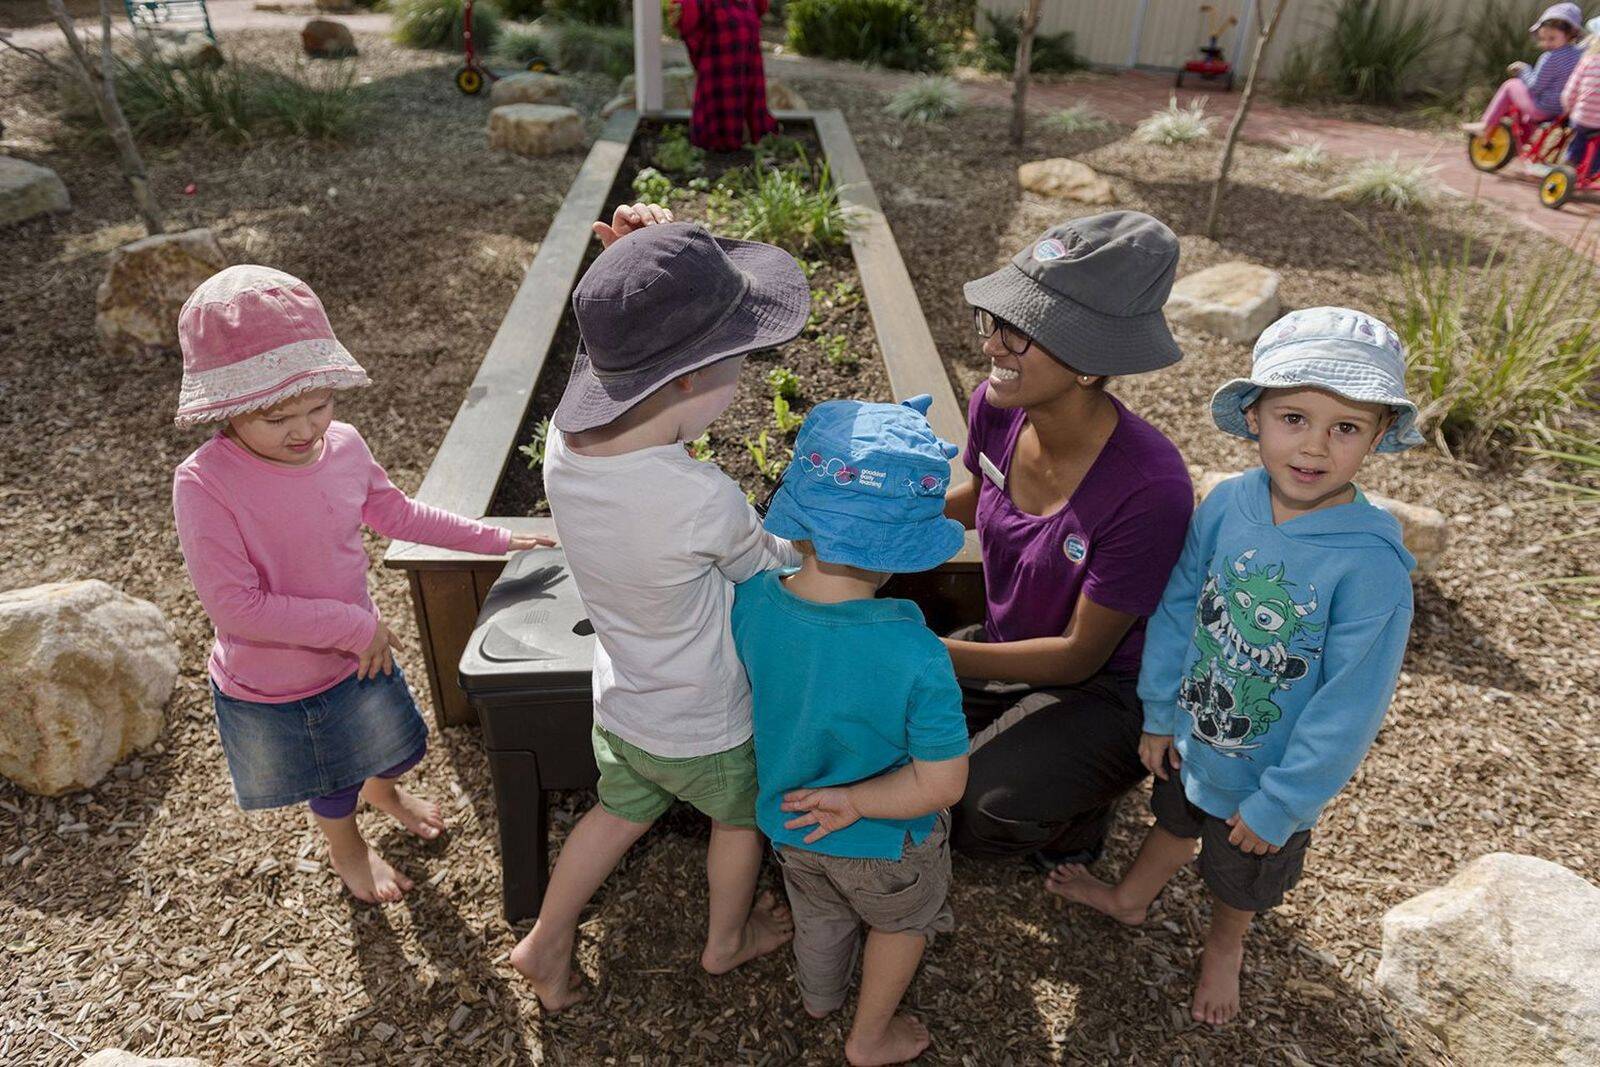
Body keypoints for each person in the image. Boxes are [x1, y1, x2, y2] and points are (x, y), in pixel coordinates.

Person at [1049, 307, 1422, 1026]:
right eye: (1293, 417)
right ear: (1254, 416)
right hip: (1194, 736)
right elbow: (1181, 603)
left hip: (1269, 777)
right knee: (1174, 815)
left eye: (1345, 427)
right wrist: (1160, 710)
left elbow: (1350, 707)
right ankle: (1132, 897)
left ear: (1378, 435)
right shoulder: (1227, 504)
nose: (1314, 445)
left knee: (1240, 876)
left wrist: (1283, 799)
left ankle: (1227, 947)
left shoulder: (1370, 566)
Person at [171, 265, 554, 904]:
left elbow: (396, 514)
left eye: (318, 404)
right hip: (283, 681)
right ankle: (348, 848)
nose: (303, 430)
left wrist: (496, 538)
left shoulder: (342, 445)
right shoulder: (205, 482)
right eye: (275, 417)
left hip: (361, 655)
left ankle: (388, 793)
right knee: (333, 779)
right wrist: (354, 627)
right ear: (228, 410)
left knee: (391, 750)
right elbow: (235, 607)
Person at [509, 221, 809, 1012]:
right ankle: (725, 940)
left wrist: (630, 272)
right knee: (739, 823)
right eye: (738, 367)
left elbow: (607, 358)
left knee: (616, 814)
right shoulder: (696, 497)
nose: (743, 382)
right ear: (685, 382)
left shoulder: (565, 450)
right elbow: (766, 561)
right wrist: (814, 550)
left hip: (624, 701)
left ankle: (545, 938)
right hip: (709, 721)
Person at [942, 211, 1194, 874]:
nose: (992, 346)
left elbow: (1081, 655)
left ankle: (1075, 818)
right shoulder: (995, 409)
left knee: (974, 811)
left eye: (1018, 333)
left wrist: (930, 653)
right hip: (1006, 647)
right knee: (879, 745)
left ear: (1090, 363)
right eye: (993, 322)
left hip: (1102, 688)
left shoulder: (1149, 487)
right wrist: (868, 518)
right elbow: (977, 496)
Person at [732, 396, 971, 1067]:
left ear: (801, 523)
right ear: (902, 549)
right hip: (886, 842)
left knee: (821, 912)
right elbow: (944, 781)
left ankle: (819, 994)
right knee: (901, 924)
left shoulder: (751, 603)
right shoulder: (917, 650)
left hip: (790, 823)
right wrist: (860, 800)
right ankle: (869, 1036)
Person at [1466, 3, 1584, 137]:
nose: (1546, 44)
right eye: (1543, 39)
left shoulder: (1550, 57)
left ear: (1569, 34)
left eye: (1552, 38)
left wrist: (1524, 70)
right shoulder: (1580, 54)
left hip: (1545, 109)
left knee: (1510, 85)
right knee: (1529, 97)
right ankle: (1524, 138)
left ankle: (1486, 125)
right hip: (1565, 110)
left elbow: (1534, 87)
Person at [674, 0, 779, 151]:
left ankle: (743, 134)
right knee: (721, 89)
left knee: (745, 86)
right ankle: (721, 138)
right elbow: (689, 16)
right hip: (720, 45)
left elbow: (761, 6)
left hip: (743, 37)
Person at [1560, 17, 1600, 171]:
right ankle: (1590, 172)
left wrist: (1568, 107)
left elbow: (1571, 90)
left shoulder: (1587, 61)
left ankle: (1569, 166)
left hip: (1582, 118)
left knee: (1578, 140)